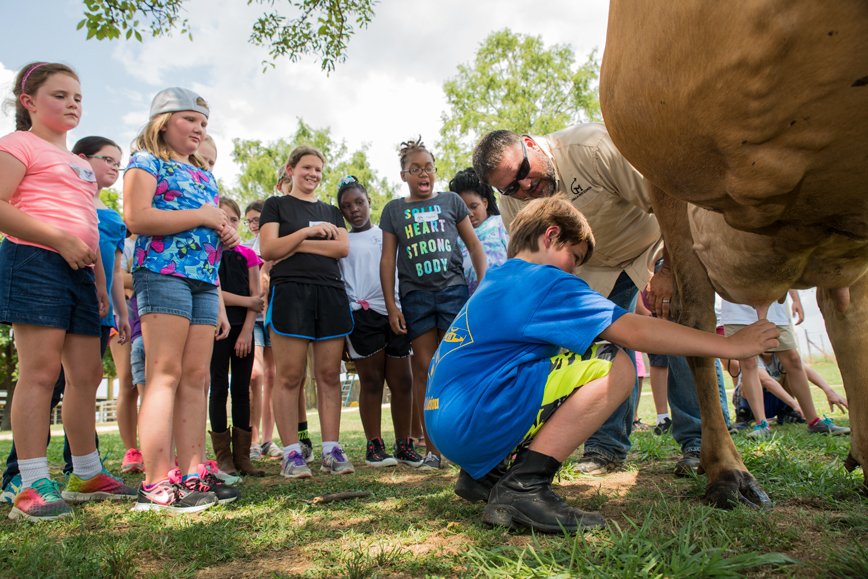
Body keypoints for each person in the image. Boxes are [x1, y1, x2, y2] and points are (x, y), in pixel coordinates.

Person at [426, 197, 780, 533]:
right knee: (616, 364)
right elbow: (635, 331)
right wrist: (730, 345)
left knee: (557, 362)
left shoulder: (499, 279)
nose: (574, 271)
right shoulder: (545, 281)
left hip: (448, 424)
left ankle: (485, 475)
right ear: (551, 235)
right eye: (574, 257)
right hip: (475, 419)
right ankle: (523, 487)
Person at [472, 125, 730, 477]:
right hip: (592, 269)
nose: (525, 188)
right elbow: (530, 264)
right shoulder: (512, 203)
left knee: (681, 317)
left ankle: (700, 441)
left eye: (522, 173)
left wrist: (669, 270)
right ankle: (605, 446)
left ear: (531, 144)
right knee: (595, 346)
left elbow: (668, 202)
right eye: (510, 186)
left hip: (652, 243)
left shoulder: (591, 147)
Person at [0, 63, 136, 520]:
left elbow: (92, 229)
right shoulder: (18, 145)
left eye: (77, 97)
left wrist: (100, 286)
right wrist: (56, 240)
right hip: (35, 261)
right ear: (29, 102)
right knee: (39, 374)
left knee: (88, 376)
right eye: (60, 95)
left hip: (82, 273)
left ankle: (86, 473)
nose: (72, 104)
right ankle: (32, 482)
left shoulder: (82, 165)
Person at [124, 86, 241, 512]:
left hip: (204, 282)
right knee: (164, 374)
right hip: (162, 275)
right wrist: (204, 217)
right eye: (190, 119)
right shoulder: (145, 162)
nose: (198, 129)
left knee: (197, 378)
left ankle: (193, 473)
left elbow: (206, 222)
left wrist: (223, 231)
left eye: (204, 124)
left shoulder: (203, 174)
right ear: (163, 121)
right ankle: (155, 482)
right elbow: (136, 218)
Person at [379, 137, 488, 471]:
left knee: (456, 365)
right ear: (403, 175)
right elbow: (387, 261)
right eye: (415, 169)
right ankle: (433, 452)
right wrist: (392, 305)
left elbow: (473, 245)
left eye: (428, 167)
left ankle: (468, 443)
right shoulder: (394, 211)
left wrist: (481, 289)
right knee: (425, 370)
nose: (423, 173)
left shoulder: (452, 201)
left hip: (454, 292)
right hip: (416, 298)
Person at [260, 146, 354, 479]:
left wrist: (294, 245)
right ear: (291, 169)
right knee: (289, 377)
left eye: (317, 169)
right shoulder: (276, 205)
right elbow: (269, 249)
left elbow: (342, 248)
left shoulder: (331, 210)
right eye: (306, 167)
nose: (312, 174)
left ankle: (331, 450)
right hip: (290, 294)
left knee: (329, 376)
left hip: (329, 293)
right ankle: (291, 455)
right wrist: (306, 232)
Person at [337, 176, 424, 468]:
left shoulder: (387, 234)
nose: (354, 210)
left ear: (369, 202)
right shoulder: (342, 241)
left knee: (403, 381)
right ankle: (374, 446)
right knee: (372, 382)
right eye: (346, 206)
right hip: (363, 316)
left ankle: (404, 445)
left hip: (396, 312)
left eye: (359, 202)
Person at [721, 295, 850, 437]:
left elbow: (804, 368)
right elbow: (766, 380)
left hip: (774, 305)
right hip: (738, 307)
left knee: (793, 359)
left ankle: (813, 421)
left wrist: (796, 299)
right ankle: (761, 424)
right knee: (748, 362)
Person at [208, 198, 266, 477]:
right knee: (219, 389)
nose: (229, 224)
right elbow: (214, 292)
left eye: (234, 219)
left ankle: (243, 457)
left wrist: (246, 331)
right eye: (224, 218)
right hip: (217, 330)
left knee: (242, 391)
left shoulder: (248, 255)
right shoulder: (209, 253)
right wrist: (248, 302)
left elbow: (258, 299)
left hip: (244, 330)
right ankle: (224, 459)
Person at [730, 351, 849, 430]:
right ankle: (744, 415)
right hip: (753, 402)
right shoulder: (751, 356)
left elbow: (803, 370)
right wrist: (795, 404)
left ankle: (785, 412)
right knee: (748, 380)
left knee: (793, 371)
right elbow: (767, 381)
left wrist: (828, 390)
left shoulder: (782, 354)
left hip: (778, 400)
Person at [448, 168, 509, 295]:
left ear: (485, 203)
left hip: (505, 294)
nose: (469, 214)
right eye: (462, 209)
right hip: (472, 302)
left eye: (474, 207)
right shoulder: (455, 238)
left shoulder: (500, 223)